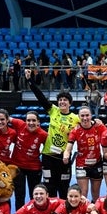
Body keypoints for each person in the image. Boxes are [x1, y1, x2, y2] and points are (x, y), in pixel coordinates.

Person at [25, 68, 80, 199]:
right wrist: (30, 80)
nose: (62, 102)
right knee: (50, 187)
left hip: (63, 158)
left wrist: (97, 122)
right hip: (48, 156)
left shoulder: (76, 118)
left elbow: (88, 123)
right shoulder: (53, 111)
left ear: (70, 103)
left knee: (64, 187)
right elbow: (40, 97)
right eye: (60, 100)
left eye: (65, 100)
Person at [63, 106, 107, 202]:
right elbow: (69, 147)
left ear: (91, 116)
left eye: (87, 115)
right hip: (82, 164)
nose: (85, 118)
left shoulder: (99, 126)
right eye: (82, 116)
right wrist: (66, 155)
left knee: (95, 194)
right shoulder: (75, 130)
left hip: (97, 163)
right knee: (83, 193)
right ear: (79, 117)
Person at [11, 110, 48, 211]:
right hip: (18, 167)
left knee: (35, 194)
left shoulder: (43, 134)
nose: (31, 123)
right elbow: (3, 116)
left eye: (33, 120)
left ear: (38, 122)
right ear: (25, 121)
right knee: (19, 194)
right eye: (28, 120)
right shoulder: (19, 124)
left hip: (34, 168)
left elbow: (48, 150)